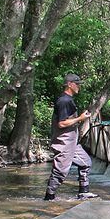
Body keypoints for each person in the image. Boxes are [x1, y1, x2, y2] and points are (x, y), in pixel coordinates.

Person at [43, 73, 96, 201]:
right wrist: (80, 118)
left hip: (72, 142)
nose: (79, 87)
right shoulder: (64, 101)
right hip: (64, 142)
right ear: (69, 84)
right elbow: (61, 123)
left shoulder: (68, 100)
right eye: (77, 84)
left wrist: (80, 119)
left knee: (85, 163)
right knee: (60, 172)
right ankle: (49, 198)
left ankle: (84, 192)